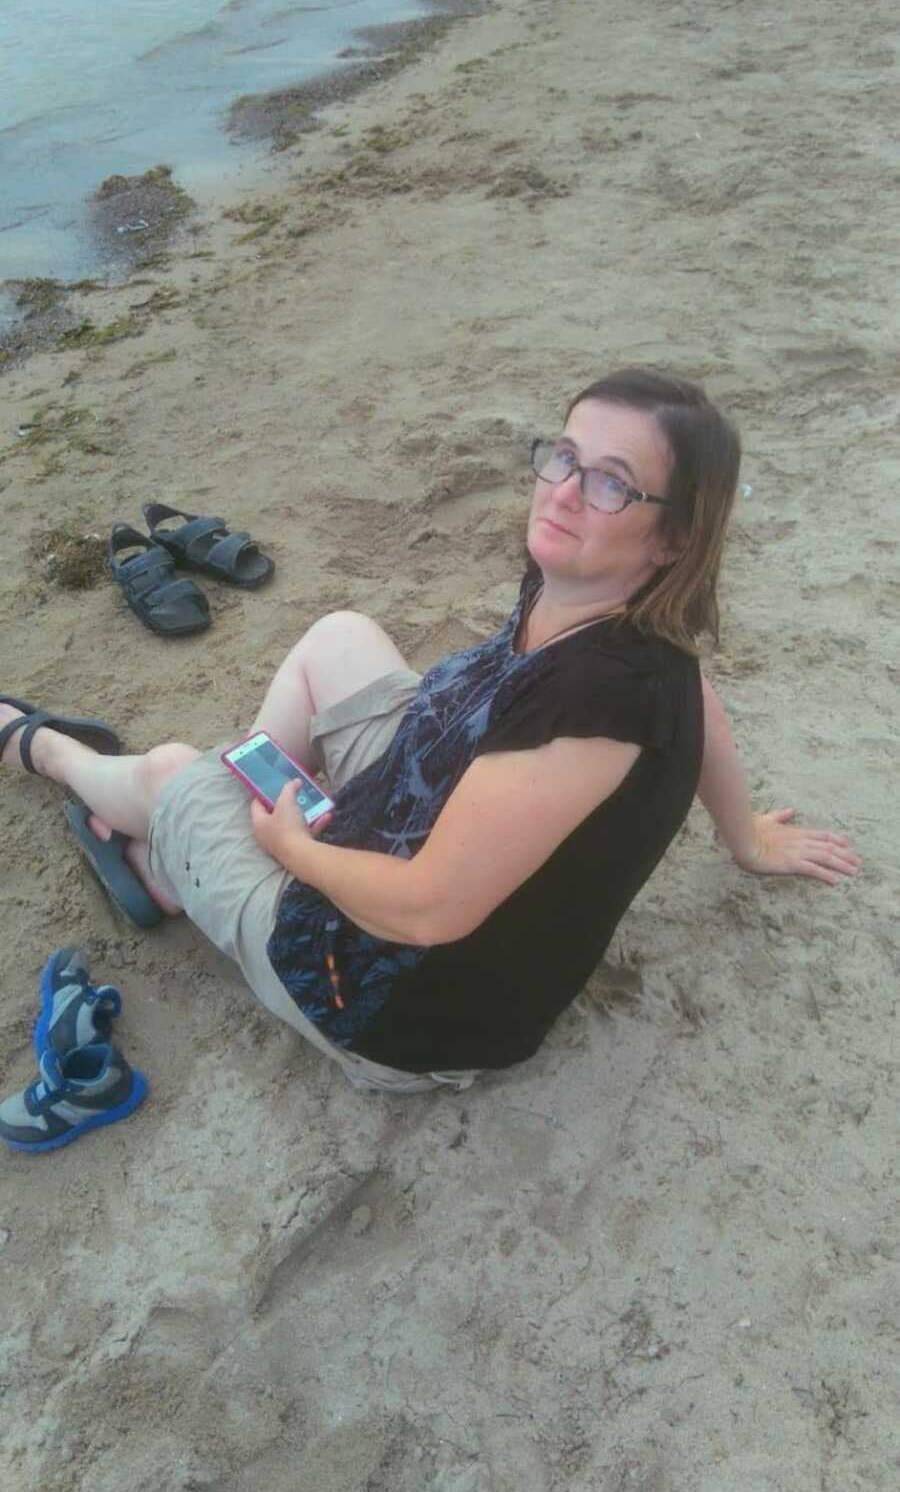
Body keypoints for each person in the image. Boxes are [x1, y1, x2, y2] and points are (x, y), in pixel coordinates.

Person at [0, 369, 860, 1094]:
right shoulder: (608, 599)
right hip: (430, 790)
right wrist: (743, 838)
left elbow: (431, 910)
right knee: (338, 638)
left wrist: (293, 851)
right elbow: (702, 702)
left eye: (610, 483)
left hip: (389, 1001)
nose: (563, 491)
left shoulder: (597, 699)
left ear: (674, 537)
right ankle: (198, 842)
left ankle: (51, 753)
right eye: (564, 455)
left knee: (172, 771)